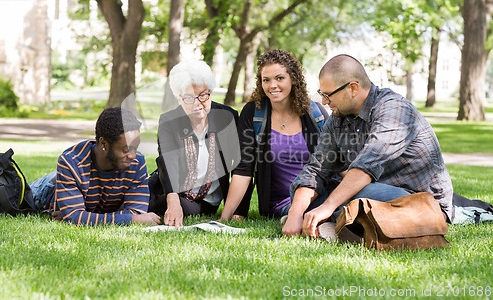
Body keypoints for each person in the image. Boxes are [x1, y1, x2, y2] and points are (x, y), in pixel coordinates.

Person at [282, 54, 454, 238]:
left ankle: (333, 222)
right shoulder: (338, 119)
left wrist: (327, 206)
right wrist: (294, 213)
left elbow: (366, 167)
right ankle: (330, 221)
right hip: (374, 191)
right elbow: (317, 170)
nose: (324, 102)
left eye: (327, 95)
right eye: (321, 94)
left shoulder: (393, 109)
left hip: (420, 203)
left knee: (361, 193)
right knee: (305, 189)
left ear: (353, 88)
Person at [220, 49, 329, 220]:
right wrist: (225, 218)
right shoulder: (254, 113)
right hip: (282, 203)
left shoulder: (315, 113)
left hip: (317, 194)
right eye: (266, 80)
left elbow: (335, 161)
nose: (272, 86)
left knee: (362, 196)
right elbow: (243, 169)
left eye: (279, 78)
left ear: (293, 79)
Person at [148, 60, 245, 226]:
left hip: (203, 201)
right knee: (139, 196)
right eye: (189, 98)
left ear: (210, 92)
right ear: (179, 98)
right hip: (170, 190)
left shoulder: (227, 117)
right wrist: (173, 201)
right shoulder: (169, 121)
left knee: (154, 205)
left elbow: (241, 167)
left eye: (203, 95)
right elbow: (167, 161)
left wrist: (239, 211)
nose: (197, 103)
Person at [30, 107, 161, 226]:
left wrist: (83, 216)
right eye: (126, 150)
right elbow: (74, 217)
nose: (132, 155)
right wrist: (130, 219)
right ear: (103, 143)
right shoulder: (72, 162)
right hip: (47, 189)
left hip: (88, 194)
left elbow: (137, 212)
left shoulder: (137, 163)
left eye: (135, 148)